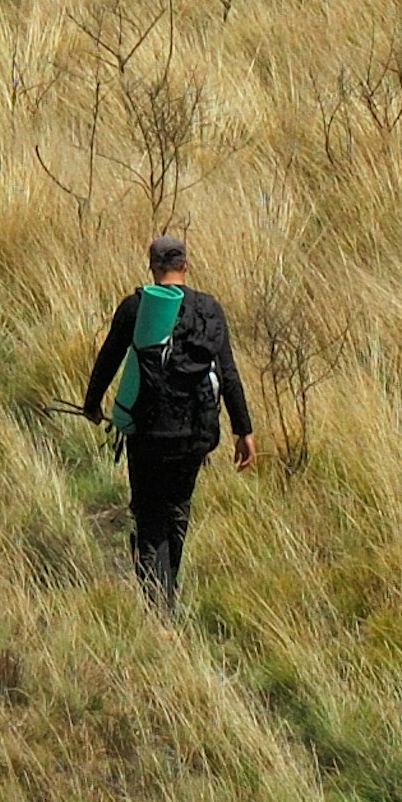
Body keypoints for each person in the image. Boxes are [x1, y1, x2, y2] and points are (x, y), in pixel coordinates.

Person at [79, 231, 254, 614]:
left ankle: (159, 607)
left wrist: (92, 406)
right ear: (185, 267)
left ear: (152, 266)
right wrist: (244, 431)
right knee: (178, 508)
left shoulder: (136, 308)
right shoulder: (210, 310)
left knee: (149, 514)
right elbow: (229, 373)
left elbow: (109, 359)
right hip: (196, 434)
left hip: (148, 433)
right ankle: (168, 588)